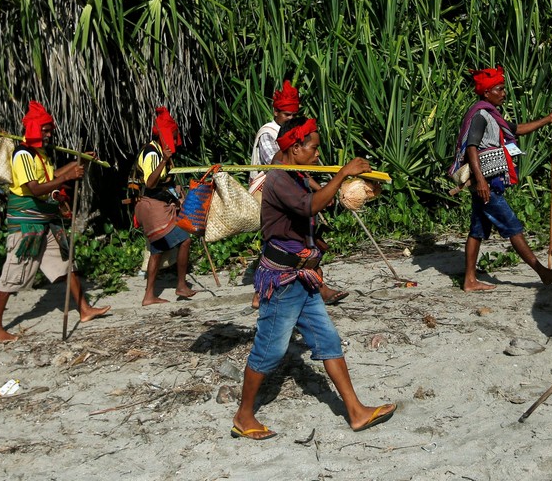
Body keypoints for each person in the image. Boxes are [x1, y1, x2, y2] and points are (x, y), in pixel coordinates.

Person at [232, 117, 396, 440]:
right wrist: (342, 174)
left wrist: (357, 188)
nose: (318, 154)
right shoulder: (279, 179)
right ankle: (243, 415)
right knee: (270, 351)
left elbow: (322, 200)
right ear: (295, 147)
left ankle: (356, 411)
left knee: (328, 341)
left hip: (303, 279)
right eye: (314, 148)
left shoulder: (296, 171)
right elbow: (309, 206)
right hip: (282, 282)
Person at [0, 101, 110, 341]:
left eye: (49, 129)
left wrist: (80, 162)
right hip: (26, 225)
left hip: (45, 222)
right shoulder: (23, 154)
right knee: (13, 273)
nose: (49, 133)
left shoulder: (40, 155)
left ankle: (84, 310)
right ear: (33, 128)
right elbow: (34, 188)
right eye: (44, 129)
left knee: (66, 263)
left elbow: (53, 177)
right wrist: (70, 175)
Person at [450, 66, 552, 291]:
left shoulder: (493, 116)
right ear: (486, 93)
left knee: (477, 231)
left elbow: (518, 129)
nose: (504, 93)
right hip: (487, 185)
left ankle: (469, 280)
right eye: (499, 89)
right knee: (513, 227)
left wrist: (548, 119)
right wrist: (481, 180)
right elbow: (472, 147)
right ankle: (543, 273)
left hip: (488, 183)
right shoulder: (481, 115)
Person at [248, 80, 347, 307]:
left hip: (291, 187)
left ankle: (317, 288)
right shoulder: (268, 135)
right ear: (275, 112)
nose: (291, 119)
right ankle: (263, 291)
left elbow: (298, 169)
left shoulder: (295, 138)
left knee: (302, 239)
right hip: (269, 191)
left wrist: (320, 189)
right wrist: (331, 182)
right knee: (279, 239)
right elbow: (285, 164)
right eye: (286, 115)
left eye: (294, 115)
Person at [135, 106, 196, 306]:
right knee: (184, 240)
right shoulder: (153, 154)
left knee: (157, 250)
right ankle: (181, 285)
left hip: (158, 205)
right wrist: (164, 160)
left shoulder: (161, 151)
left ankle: (148, 296)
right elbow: (150, 183)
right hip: (152, 206)